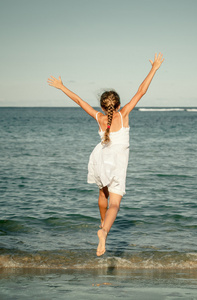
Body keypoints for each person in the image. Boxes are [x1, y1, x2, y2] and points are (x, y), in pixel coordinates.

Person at [47, 53, 164, 256]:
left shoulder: (100, 117)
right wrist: (154, 68)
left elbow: (80, 101)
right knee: (115, 204)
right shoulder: (124, 113)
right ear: (118, 105)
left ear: (103, 107)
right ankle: (104, 231)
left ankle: (102, 221)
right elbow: (141, 91)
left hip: (99, 159)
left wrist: (61, 86)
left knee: (102, 193)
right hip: (116, 164)